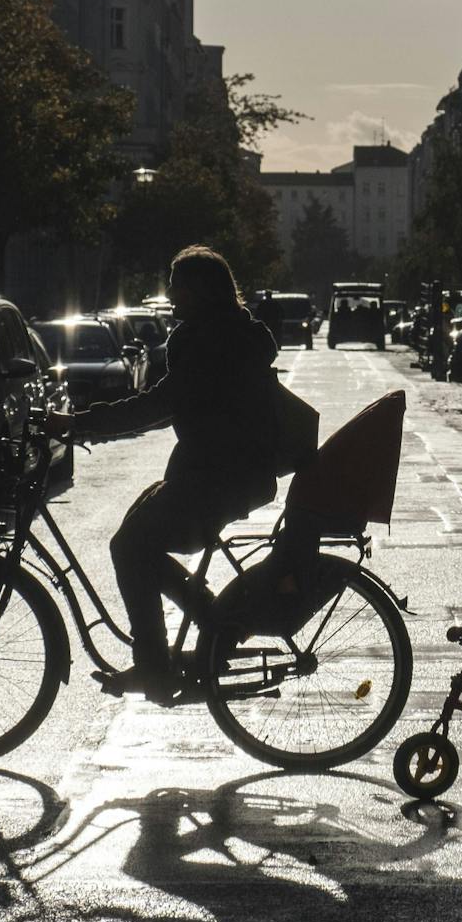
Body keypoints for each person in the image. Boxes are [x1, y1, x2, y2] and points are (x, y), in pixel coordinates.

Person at [49, 246, 280, 699]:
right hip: (223, 473)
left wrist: (80, 423)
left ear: (199, 290)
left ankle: (158, 663)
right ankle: (217, 624)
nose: (171, 293)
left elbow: (158, 404)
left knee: (131, 547)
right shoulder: (225, 333)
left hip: (217, 478)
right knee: (136, 543)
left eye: (177, 284)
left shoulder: (211, 341)